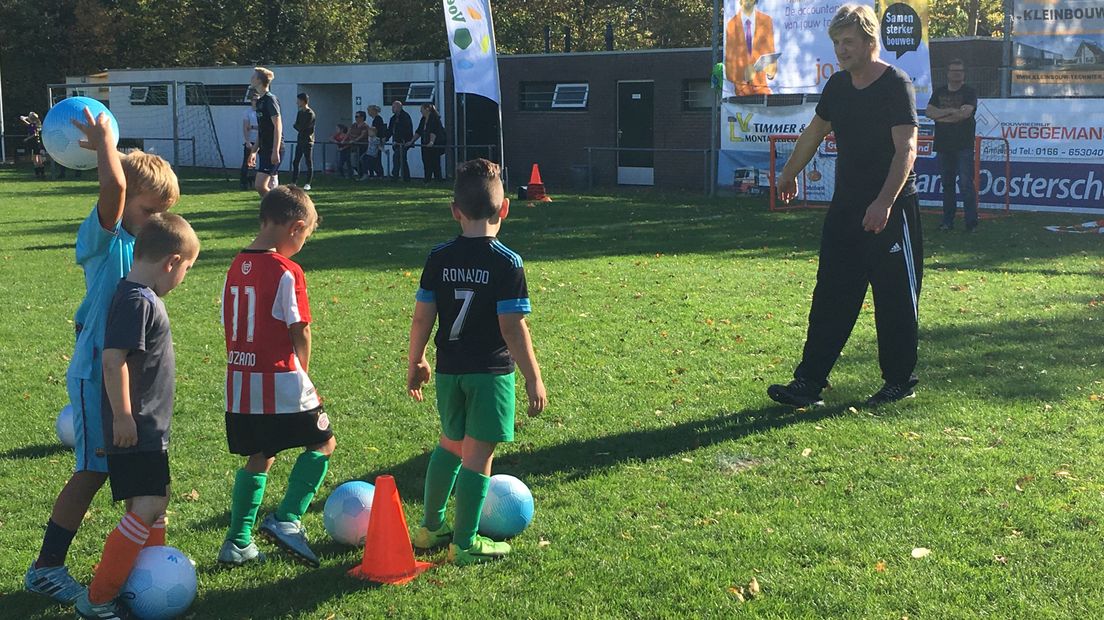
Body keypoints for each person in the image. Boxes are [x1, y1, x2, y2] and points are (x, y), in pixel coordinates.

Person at [24, 108, 179, 605]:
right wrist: (107, 143)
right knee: (92, 470)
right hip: (97, 376)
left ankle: (144, 560)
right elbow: (112, 192)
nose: (158, 220)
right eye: (152, 209)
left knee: (136, 472)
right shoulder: (105, 239)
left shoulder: (139, 250)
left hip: (127, 385)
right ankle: (46, 568)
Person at [767, 3, 922, 409]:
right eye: (836, 43)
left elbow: (906, 150)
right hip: (846, 210)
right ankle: (808, 382)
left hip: (890, 209)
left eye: (848, 42)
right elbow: (814, 133)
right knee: (830, 296)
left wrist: (884, 203)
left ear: (870, 40)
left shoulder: (896, 84)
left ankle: (898, 381)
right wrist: (788, 174)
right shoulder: (836, 86)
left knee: (894, 301)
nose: (840, 50)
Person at [406, 158, 547, 565]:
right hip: (489, 374)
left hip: (449, 369)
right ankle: (464, 542)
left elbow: (421, 316)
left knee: (449, 445)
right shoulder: (507, 262)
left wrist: (416, 361)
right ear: (504, 209)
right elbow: (512, 328)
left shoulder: (439, 256)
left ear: (455, 211)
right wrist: (533, 378)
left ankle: (431, 527)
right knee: (478, 455)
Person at [74, 213, 199, 620]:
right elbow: (113, 361)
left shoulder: (141, 295)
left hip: (149, 428)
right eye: (187, 269)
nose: (183, 278)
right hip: (138, 427)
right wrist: (124, 417)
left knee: (153, 503)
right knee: (147, 505)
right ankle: (98, 598)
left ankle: (145, 580)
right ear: (171, 262)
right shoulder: (135, 300)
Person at [217, 185, 334, 568]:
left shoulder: (235, 266)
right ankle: (287, 519)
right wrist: (303, 370)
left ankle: (238, 541)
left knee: (261, 455)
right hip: (281, 380)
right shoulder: (287, 271)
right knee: (323, 443)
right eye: (306, 235)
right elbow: (299, 327)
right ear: (296, 228)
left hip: (239, 382)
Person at [927, 59, 978, 232]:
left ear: (964, 73)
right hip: (943, 146)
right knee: (947, 185)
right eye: (954, 70)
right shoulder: (939, 92)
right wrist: (950, 112)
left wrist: (941, 116)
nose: (957, 73)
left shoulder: (969, 92)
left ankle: (971, 223)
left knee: (965, 185)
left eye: (960, 71)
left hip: (963, 145)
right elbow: (929, 112)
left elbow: (964, 114)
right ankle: (947, 221)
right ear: (947, 73)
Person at [725, 0, 777, 96]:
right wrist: (743, 76)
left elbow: (771, 52)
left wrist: (771, 72)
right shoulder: (731, 24)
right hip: (741, 91)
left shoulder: (766, 21)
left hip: (762, 88)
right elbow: (729, 62)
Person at [252, 67, 282, 197]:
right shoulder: (259, 102)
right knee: (271, 186)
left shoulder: (270, 99)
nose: (251, 79)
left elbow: (278, 125)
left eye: (253, 76)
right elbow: (262, 129)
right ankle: (275, 213)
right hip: (264, 148)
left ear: (259, 80)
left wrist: (275, 150)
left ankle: (277, 210)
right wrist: (254, 150)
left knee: (260, 185)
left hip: (272, 148)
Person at [291, 93, 316, 191]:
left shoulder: (310, 113)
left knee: (308, 161)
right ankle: (294, 182)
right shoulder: (300, 112)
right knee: (296, 161)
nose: (297, 102)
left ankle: (308, 183)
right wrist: (298, 127)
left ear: (303, 101)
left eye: (298, 100)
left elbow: (304, 127)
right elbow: (297, 125)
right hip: (300, 139)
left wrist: (298, 127)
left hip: (308, 140)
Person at [415, 103, 446, 183]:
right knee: (426, 161)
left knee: (435, 162)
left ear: (427, 109)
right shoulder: (423, 119)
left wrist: (431, 142)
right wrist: (411, 141)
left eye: (422, 109)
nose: (420, 111)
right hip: (425, 143)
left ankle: (438, 180)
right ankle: (427, 179)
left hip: (435, 144)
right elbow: (419, 131)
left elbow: (433, 131)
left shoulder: (434, 118)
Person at [387, 100, 414, 181]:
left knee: (397, 157)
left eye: (394, 107)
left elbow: (406, 130)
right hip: (396, 142)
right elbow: (390, 130)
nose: (392, 109)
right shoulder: (393, 118)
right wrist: (386, 138)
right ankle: (406, 177)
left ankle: (395, 175)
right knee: (402, 159)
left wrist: (402, 140)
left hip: (404, 142)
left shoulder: (405, 117)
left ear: (399, 107)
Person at [241, 94, 260, 190]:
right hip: (251, 141)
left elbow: (263, 127)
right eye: (254, 100)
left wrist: (253, 127)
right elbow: (245, 127)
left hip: (261, 140)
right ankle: (243, 183)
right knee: (247, 162)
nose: (256, 102)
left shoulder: (261, 112)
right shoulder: (248, 112)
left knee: (262, 162)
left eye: (257, 100)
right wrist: (247, 141)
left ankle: (258, 182)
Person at [20, 112, 47, 179]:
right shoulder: (33, 124)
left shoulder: (35, 125)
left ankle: (39, 174)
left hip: (35, 143)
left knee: (36, 159)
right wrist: (27, 117)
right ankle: (41, 174)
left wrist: (27, 139)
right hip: (35, 143)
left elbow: (35, 134)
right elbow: (22, 118)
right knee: (37, 158)